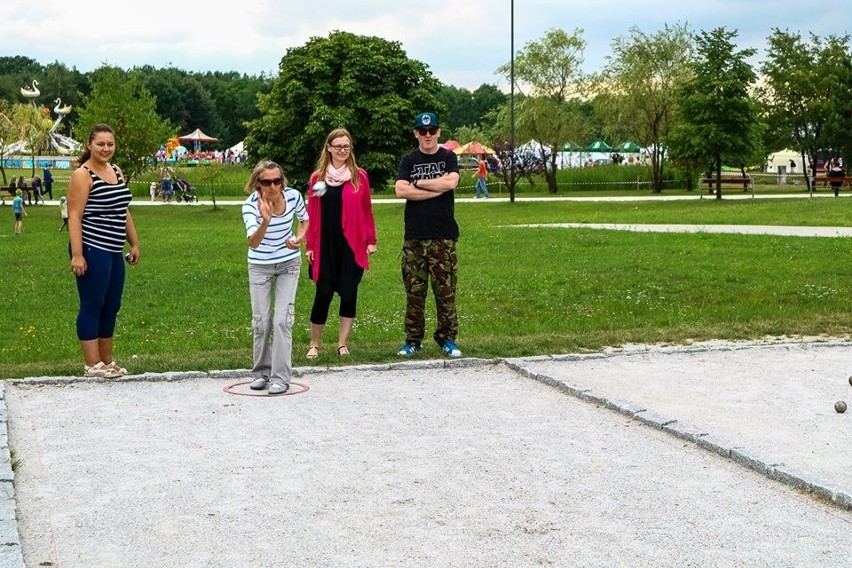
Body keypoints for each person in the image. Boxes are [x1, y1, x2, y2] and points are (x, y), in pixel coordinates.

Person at [67, 123, 140, 378]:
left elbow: (123, 210)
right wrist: (77, 254)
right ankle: (92, 364)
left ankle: (107, 360)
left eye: (110, 144)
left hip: (113, 249)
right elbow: (74, 216)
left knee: (112, 305)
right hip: (91, 247)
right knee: (92, 303)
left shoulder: (116, 171)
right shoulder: (83, 175)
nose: (105, 148)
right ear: (89, 145)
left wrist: (134, 243)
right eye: (100, 144)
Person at [304, 128, 377, 359]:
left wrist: (371, 240)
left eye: (346, 146)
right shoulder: (318, 178)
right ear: (328, 148)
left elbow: (367, 210)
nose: (343, 150)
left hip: (351, 243)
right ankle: (314, 344)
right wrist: (310, 244)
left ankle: (342, 344)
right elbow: (311, 213)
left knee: (348, 292)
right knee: (323, 292)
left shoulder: (360, 176)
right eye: (338, 146)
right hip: (326, 243)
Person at [394, 112, 462, 358]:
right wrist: (436, 186)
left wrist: (419, 183)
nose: (428, 135)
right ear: (416, 133)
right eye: (423, 132)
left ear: (438, 132)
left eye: (432, 131)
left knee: (445, 292)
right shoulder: (409, 159)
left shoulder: (448, 157)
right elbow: (401, 190)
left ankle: (447, 339)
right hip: (414, 237)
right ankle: (413, 340)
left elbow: (451, 183)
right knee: (414, 293)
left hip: (443, 236)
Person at [242, 160, 309, 394]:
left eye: (277, 181)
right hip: (259, 264)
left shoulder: (293, 196)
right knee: (261, 322)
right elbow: (253, 241)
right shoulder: (250, 206)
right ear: (257, 184)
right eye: (267, 182)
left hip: (288, 263)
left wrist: (299, 237)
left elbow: (304, 219)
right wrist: (266, 221)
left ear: (283, 182)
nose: (273, 186)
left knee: (282, 320)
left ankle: (280, 376)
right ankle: (261, 372)